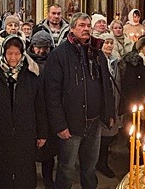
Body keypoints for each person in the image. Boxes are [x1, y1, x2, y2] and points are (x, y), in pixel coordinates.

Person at [44, 12, 115, 189]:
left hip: (94, 121)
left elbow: (106, 85)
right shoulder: (59, 54)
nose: (86, 29)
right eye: (81, 25)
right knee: (67, 167)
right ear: (72, 28)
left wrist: (109, 113)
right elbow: (52, 94)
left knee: (90, 167)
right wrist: (59, 124)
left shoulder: (97, 52)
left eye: (88, 26)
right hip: (71, 122)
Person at [0, 35, 48, 188]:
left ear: (23, 53)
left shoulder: (32, 75)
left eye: (17, 53)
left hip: (24, 135)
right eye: (9, 53)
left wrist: (42, 132)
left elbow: (40, 106)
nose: (13, 58)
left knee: (23, 173)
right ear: (3, 53)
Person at [27, 31, 58, 189]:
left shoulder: (54, 63)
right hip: (30, 111)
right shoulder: (26, 62)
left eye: (44, 47)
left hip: (49, 109)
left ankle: (48, 178)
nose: (40, 51)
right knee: (29, 149)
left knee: (48, 150)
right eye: (37, 47)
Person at [96, 33, 121, 179]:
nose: (109, 45)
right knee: (100, 136)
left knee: (108, 137)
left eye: (111, 43)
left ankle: (102, 161)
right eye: (106, 42)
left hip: (114, 102)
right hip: (100, 103)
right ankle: (98, 163)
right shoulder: (96, 61)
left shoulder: (116, 61)